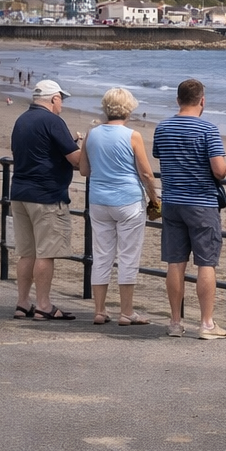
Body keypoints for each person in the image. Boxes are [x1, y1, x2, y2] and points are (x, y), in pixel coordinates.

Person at [153, 78, 226, 340]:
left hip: (172, 201)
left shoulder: (163, 128)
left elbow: (161, 157)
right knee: (206, 262)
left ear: (177, 100)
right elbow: (219, 170)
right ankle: (207, 324)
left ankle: (175, 322)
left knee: (175, 262)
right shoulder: (208, 129)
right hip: (201, 203)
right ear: (202, 101)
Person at [79, 87, 159, 326]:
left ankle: (100, 310)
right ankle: (126, 311)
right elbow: (145, 172)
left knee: (101, 255)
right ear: (128, 109)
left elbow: (84, 170)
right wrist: (153, 197)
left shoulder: (91, 134)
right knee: (128, 255)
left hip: (98, 200)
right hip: (128, 200)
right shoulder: (132, 135)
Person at [9, 80, 82, 320]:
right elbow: (75, 159)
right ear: (54, 99)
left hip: (20, 192)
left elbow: (33, 151)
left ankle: (22, 302)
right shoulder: (52, 121)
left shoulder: (22, 120)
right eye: (62, 99)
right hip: (46, 195)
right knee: (45, 253)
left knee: (26, 253)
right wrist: (87, 144)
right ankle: (43, 304)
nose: (62, 104)